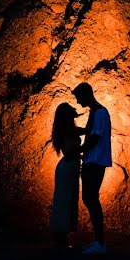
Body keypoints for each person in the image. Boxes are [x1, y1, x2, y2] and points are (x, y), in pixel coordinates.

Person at [72, 82, 112, 255]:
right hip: (91, 161)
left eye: (78, 98)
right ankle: (98, 241)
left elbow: (94, 137)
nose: (78, 102)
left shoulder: (100, 112)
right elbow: (88, 131)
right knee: (89, 199)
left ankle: (101, 243)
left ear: (85, 95)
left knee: (91, 199)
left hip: (95, 162)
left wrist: (79, 150)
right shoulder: (95, 112)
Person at [49, 103, 82, 250]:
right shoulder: (68, 130)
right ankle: (60, 239)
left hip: (68, 168)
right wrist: (83, 150)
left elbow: (81, 131)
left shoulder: (67, 129)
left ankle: (61, 238)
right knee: (64, 201)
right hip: (68, 168)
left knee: (64, 201)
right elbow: (69, 152)